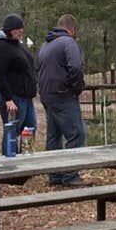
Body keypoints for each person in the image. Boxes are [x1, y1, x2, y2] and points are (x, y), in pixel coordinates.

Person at [35, 13, 88, 187]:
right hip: (64, 95)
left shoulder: (46, 44)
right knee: (76, 134)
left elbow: (39, 69)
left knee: (54, 136)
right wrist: (76, 87)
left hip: (48, 96)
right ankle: (70, 175)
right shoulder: (68, 43)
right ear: (72, 29)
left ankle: (55, 175)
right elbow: (75, 67)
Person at [0, 14, 36, 158]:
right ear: (10, 30)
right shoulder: (1, 48)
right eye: (17, 29)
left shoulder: (19, 46)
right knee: (12, 130)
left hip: (26, 96)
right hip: (12, 97)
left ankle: (26, 158)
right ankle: (9, 163)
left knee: (30, 129)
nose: (21, 31)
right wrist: (8, 99)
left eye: (21, 28)